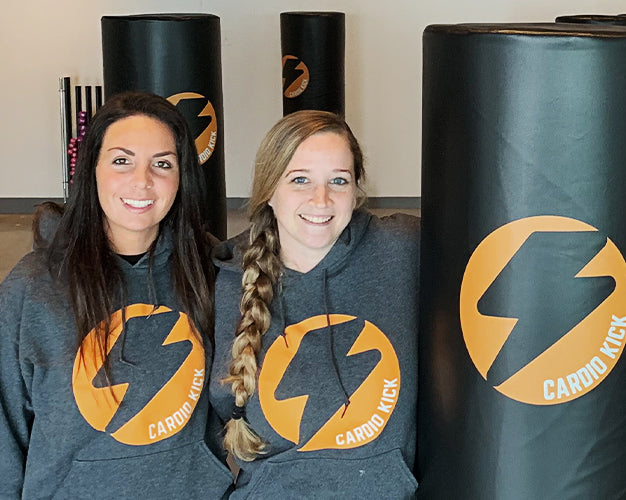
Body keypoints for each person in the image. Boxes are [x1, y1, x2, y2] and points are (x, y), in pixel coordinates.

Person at [0, 92, 231, 497]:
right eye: (122, 161)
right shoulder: (34, 286)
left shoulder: (210, 272)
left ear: (181, 178)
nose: (142, 181)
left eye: (162, 164)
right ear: (92, 170)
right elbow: (5, 428)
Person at [210, 110, 419, 497]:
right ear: (269, 190)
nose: (321, 200)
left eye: (338, 180)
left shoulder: (402, 250)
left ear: (356, 191)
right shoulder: (225, 278)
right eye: (300, 180)